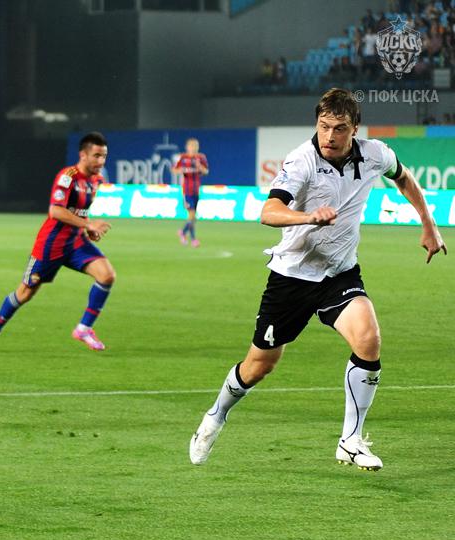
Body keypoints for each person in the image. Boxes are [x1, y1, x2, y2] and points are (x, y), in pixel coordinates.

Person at [188, 88, 446, 471]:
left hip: (339, 273)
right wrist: (308, 217)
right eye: (324, 126)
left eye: (339, 128)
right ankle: (216, 415)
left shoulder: (376, 154)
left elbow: (404, 177)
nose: (329, 136)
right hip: (292, 277)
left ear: (354, 129)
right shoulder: (302, 160)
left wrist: (429, 224)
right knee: (260, 365)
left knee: (368, 338)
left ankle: (350, 441)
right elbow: (269, 211)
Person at [0, 132, 114, 354]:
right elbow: (56, 211)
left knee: (107, 275)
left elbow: (79, 211)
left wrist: (88, 229)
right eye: (97, 156)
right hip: (51, 245)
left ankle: (84, 328)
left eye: (104, 156)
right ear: (83, 155)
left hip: (76, 242)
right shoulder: (68, 177)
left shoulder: (96, 180)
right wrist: (88, 224)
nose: (101, 161)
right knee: (25, 293)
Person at [173, 138, 208, 247]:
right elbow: (174, 170)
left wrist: (200, 167)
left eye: (195, 146)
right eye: (191, 146)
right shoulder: (183, 158)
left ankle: (185, 234)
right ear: (187, 147)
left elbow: (206, 171)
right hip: (187, 190)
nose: (193, 148)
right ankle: (190, 237)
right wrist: (180, 170)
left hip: (196, 190)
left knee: (193, 217)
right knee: (192, 215)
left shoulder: (201, 158)